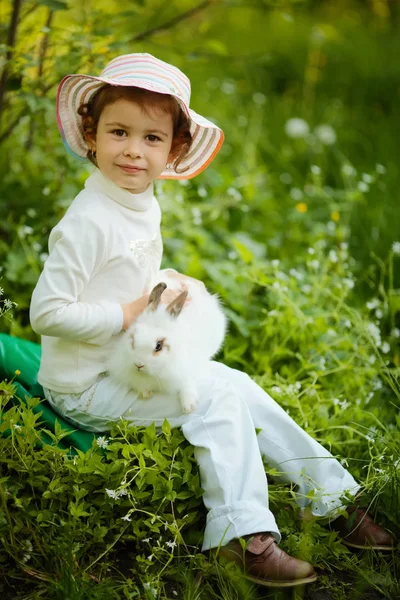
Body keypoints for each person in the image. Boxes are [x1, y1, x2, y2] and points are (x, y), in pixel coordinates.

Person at [29, 53, 394, 588]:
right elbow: (48, 312)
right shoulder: (87, 222)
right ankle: (241, 536)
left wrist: (167, 281)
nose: (133, 149)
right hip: (85, 387)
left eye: (151, 138)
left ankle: (331, 499)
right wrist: (129, 312)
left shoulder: (135, 199)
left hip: (123, 364)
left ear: (174, 149)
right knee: (217, 401)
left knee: (237, 385)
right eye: (119, 132)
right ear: (91, 134)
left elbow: (123, 277)